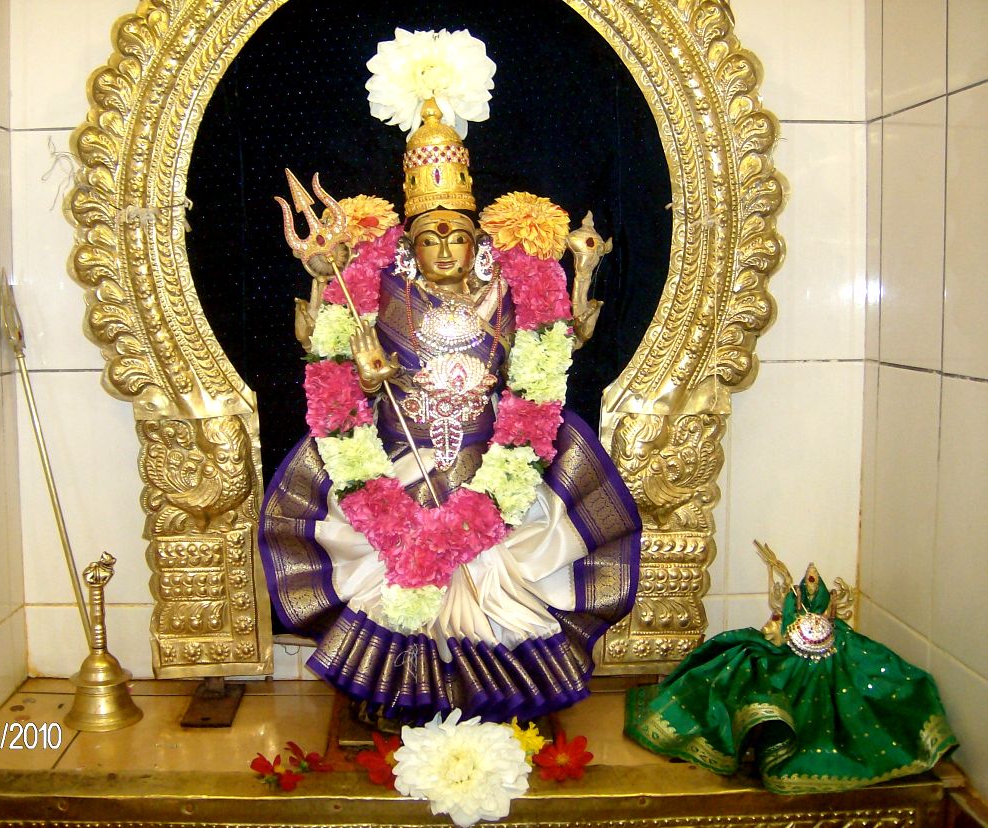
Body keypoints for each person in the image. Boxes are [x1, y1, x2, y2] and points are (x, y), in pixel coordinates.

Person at [259, 87, 640, 724]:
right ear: (408, 245)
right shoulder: (375, 290)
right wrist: (366, 376)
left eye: (456, 237)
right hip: (397, 457)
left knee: (498, 574)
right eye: (429, 238)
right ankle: (399, 697)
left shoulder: (511, 289)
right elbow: (329, 358)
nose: (443, 249)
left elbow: (554, 348)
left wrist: (579, 277)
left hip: (495, 459)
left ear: (476, 242)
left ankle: (494, 701)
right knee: (397, 568)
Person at [625, 551, 957, 793]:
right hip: (793, 655)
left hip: (826, 659)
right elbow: (777, 628)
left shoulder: (835, 623)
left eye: (815, 581)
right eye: (808, 580)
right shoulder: (790, 609)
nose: (811, 583)